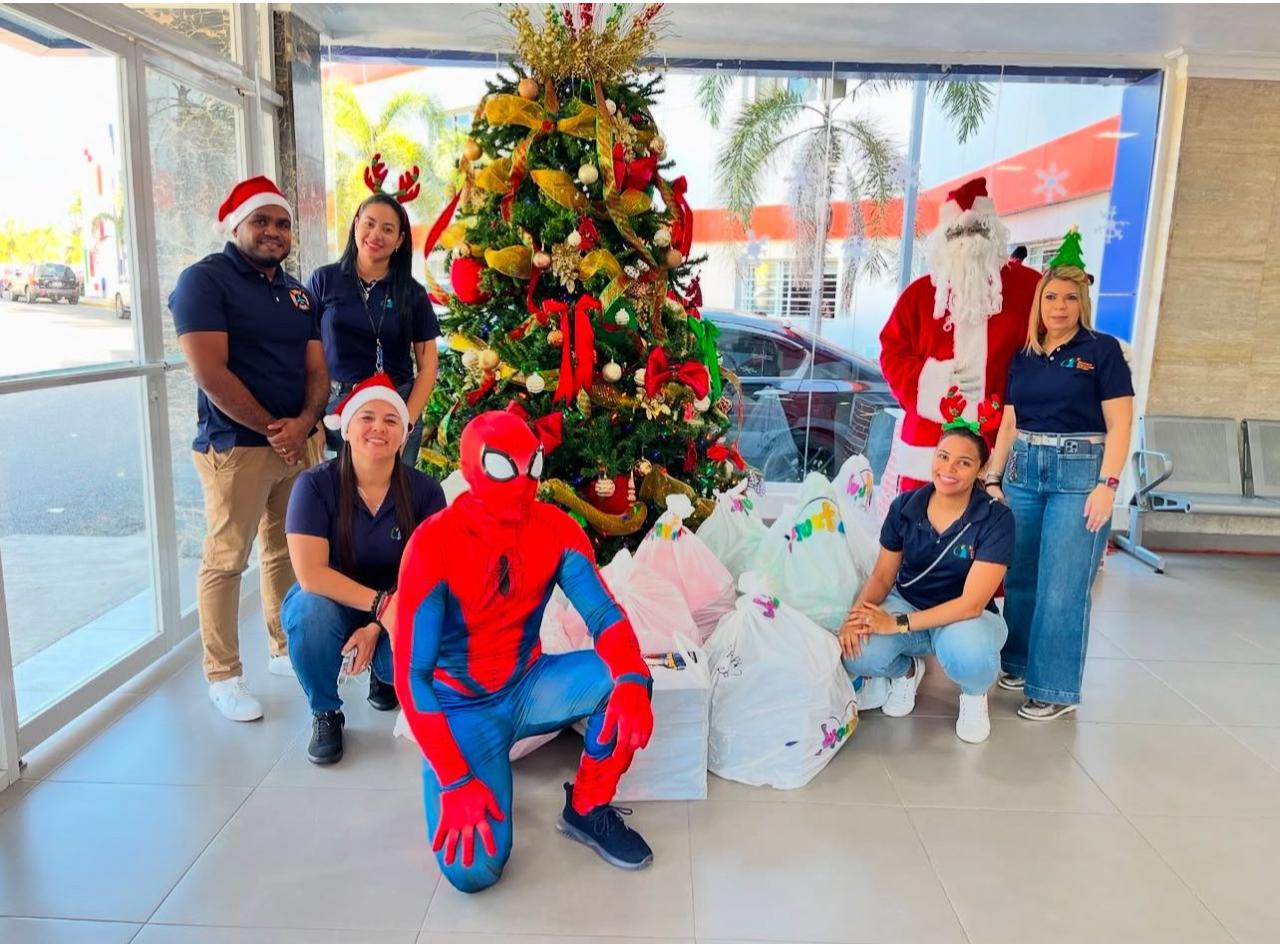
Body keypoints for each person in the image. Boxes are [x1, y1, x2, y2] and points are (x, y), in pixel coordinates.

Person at [393, 409, 655, 893]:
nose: (521, 481)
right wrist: (453, 778)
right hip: (460, 705)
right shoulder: (433, 545)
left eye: (531, 464)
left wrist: (634, 679)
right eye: (501, 466)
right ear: (472, 466)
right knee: (472, 872)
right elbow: (412, 675)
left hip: (527, 683)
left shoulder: (555, 528)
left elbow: (604, 615)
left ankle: (587, 808)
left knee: (621, 680)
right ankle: (448, 768)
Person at [171, 175, 329, 723]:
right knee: (226, 558)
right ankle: (224, 674)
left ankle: (283, 648)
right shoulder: (204, 282)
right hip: (237, 447)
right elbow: (210, 372)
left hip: (296, 444)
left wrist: (305, 423)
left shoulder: (297, 292)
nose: (273, 232)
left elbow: (317, 368)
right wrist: (273, 429)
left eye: (282, 223)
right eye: (260, 221)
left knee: (284, 549)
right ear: (234, 225)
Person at [985, 228, 1134, 721]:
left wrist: (1108, 486)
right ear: (1039, 302)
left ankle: (1055, 687)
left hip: (1079, 473)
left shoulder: (1103, 351)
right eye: (1051, 296)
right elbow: (1009, 423)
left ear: (1082, 302)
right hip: (1024, 471)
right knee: (1022, 574)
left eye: (1071, 297)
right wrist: (992, 479)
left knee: (1064, 583)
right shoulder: (1024, 356)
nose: (1061, 305)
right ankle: (1021, 661)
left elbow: (1120, 423)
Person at [282, 374, 445, 764]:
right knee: (308, 612)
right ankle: (325, 710)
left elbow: (431, 572)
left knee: (399, 666)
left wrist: (376, 624)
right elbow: (311, 574)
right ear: (347, 428)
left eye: (391, 421)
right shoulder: (314, 486)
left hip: (397, 602)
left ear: (404, 435)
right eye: (367, 417)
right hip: (334, 599)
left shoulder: (425, 492)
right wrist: (380, 608)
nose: (378, 428)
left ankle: (380, 671)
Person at [840, 395, 1014, 744]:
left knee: (971, 650)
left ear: (981, 469)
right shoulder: (906, 505)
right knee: (858, 652)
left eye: (964, 463)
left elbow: (971, 604)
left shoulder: (996, 518)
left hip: (964, 618)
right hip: (909, 603)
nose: (948, 470)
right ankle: (906, 672)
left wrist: (896, 623)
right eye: (943, 457)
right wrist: (856, 616)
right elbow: (882, 577)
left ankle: (973, 694)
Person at [879, 177, 1042, 495]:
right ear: (943, 239)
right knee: (920, 533)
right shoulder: (919, 295)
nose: (967, 240)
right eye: (957, 232)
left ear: (993, 231)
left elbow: (1054, 347)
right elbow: (891, 353)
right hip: (931, 447)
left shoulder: (1029, 289)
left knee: (997, 537)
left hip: (1003, 446)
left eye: (976, 230)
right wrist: (937, 382)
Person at [308, 188, 440, 466]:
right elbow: (302, 351)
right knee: (339, 502)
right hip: (335, 407)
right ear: (356, 224)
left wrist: (406, 421)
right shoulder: (324, 280)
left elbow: (428, 368)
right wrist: (311, 419)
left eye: (387, 229)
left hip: (394, 407)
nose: (375, 234)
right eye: (369, 223)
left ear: (399, 239)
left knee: (392, 503)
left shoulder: (412, 294)